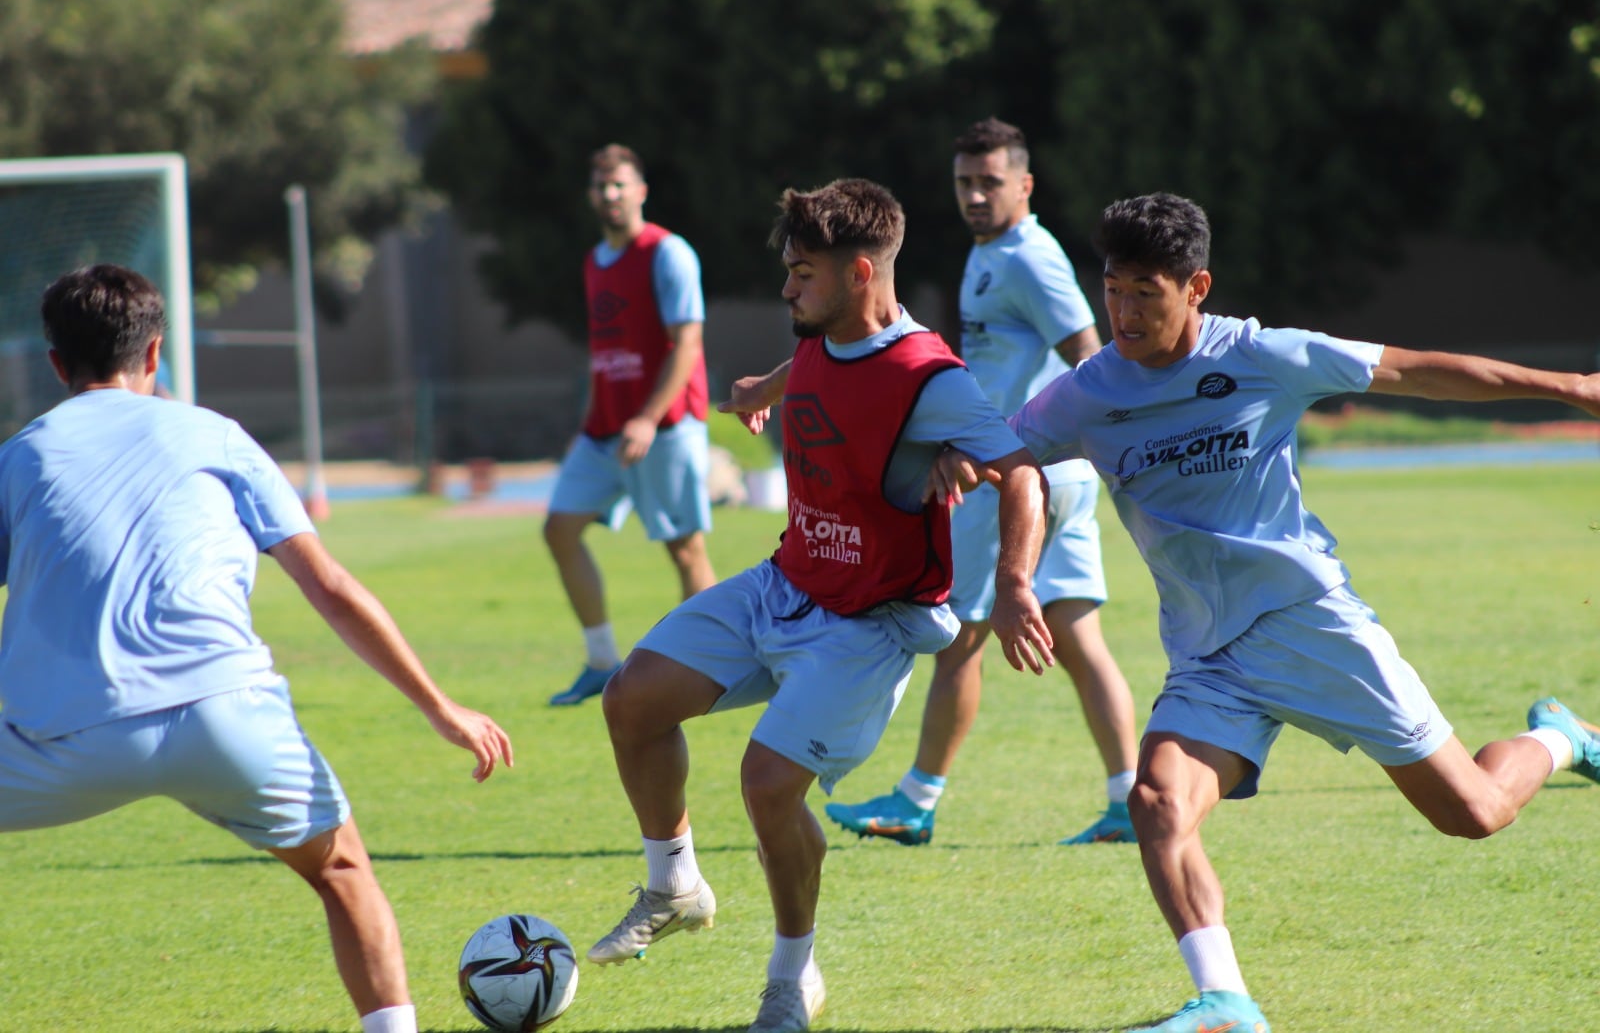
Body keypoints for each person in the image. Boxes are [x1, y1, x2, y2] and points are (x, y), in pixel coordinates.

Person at [932, 192, 1600, 1032]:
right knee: (1157, 803)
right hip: (1211, 658)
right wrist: (1003, 551)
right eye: (1114, 289)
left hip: (1312, 625)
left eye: (1147, 291)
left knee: (1474, 814)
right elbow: (1010, 457)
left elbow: (1419, 369)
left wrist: (1570, 387)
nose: (1125, 311)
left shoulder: (1265, 356)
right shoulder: (1087, 391)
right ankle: (1226, 1001)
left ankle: (1558, 737)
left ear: (1197, 287)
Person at [585, 178, 1053, 1033]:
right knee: (632, 700)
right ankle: (673, 883)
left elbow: (1022, 469)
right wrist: (753, 397)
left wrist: (1017, 582)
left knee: (767, 783)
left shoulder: (928, 376)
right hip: (784, 584)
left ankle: (791, 977)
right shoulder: (818, 336)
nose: (787, 289)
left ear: (860, 274)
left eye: (802, 275)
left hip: (867, 625)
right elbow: (799, 375)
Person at [0, 265, 515, 1033]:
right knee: (342, 870)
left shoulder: (19, 457)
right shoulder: (217, 435)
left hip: (61, 735)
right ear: (154, 355)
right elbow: (331, 587)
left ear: (54, 364)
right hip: (223, 714)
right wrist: (440, 708)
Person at [824, 117, 1140, 847]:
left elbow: (1091, 356)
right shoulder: (992, 250)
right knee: (1077, 635)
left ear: (1024, 184)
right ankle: (1130, 800)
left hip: (1016, 480)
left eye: (989, 181)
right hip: (1050, 475)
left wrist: (991, 448)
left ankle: (916, 800)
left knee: (958, 636)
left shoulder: (1029, 257)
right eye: (964, 181)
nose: (974, 194)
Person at [544, 143, 717, 706]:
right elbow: (605, 353)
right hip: (605, 432)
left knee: (685, 550)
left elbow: (687, 342)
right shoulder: (595, 261)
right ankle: (600, 661)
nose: (610, 195)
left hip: (663, 428)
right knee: (559, 529)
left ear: (641, 189)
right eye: (601, 186)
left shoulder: (668, 254)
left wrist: (646, 417)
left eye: (620, 184)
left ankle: (722, 666)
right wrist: (590, 422)